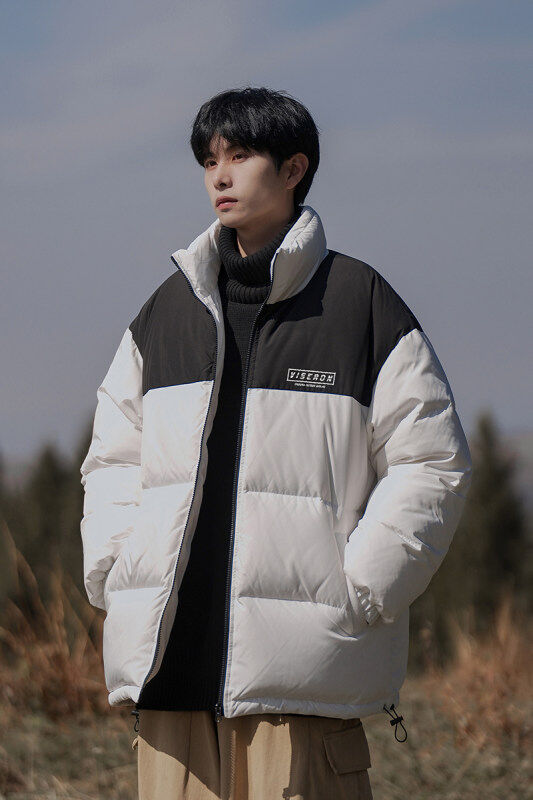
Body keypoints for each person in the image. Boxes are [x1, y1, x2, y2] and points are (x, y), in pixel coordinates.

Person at [79, 86, 472, 800]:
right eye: (209, 161)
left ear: (294, 169)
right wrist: (114, 568)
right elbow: (113, 458)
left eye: (239, 156)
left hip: (299, 672)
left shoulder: (358, 302)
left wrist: (360, 590)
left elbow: (430, 461)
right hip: (169, 673)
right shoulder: (166, 311)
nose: (219, 176)